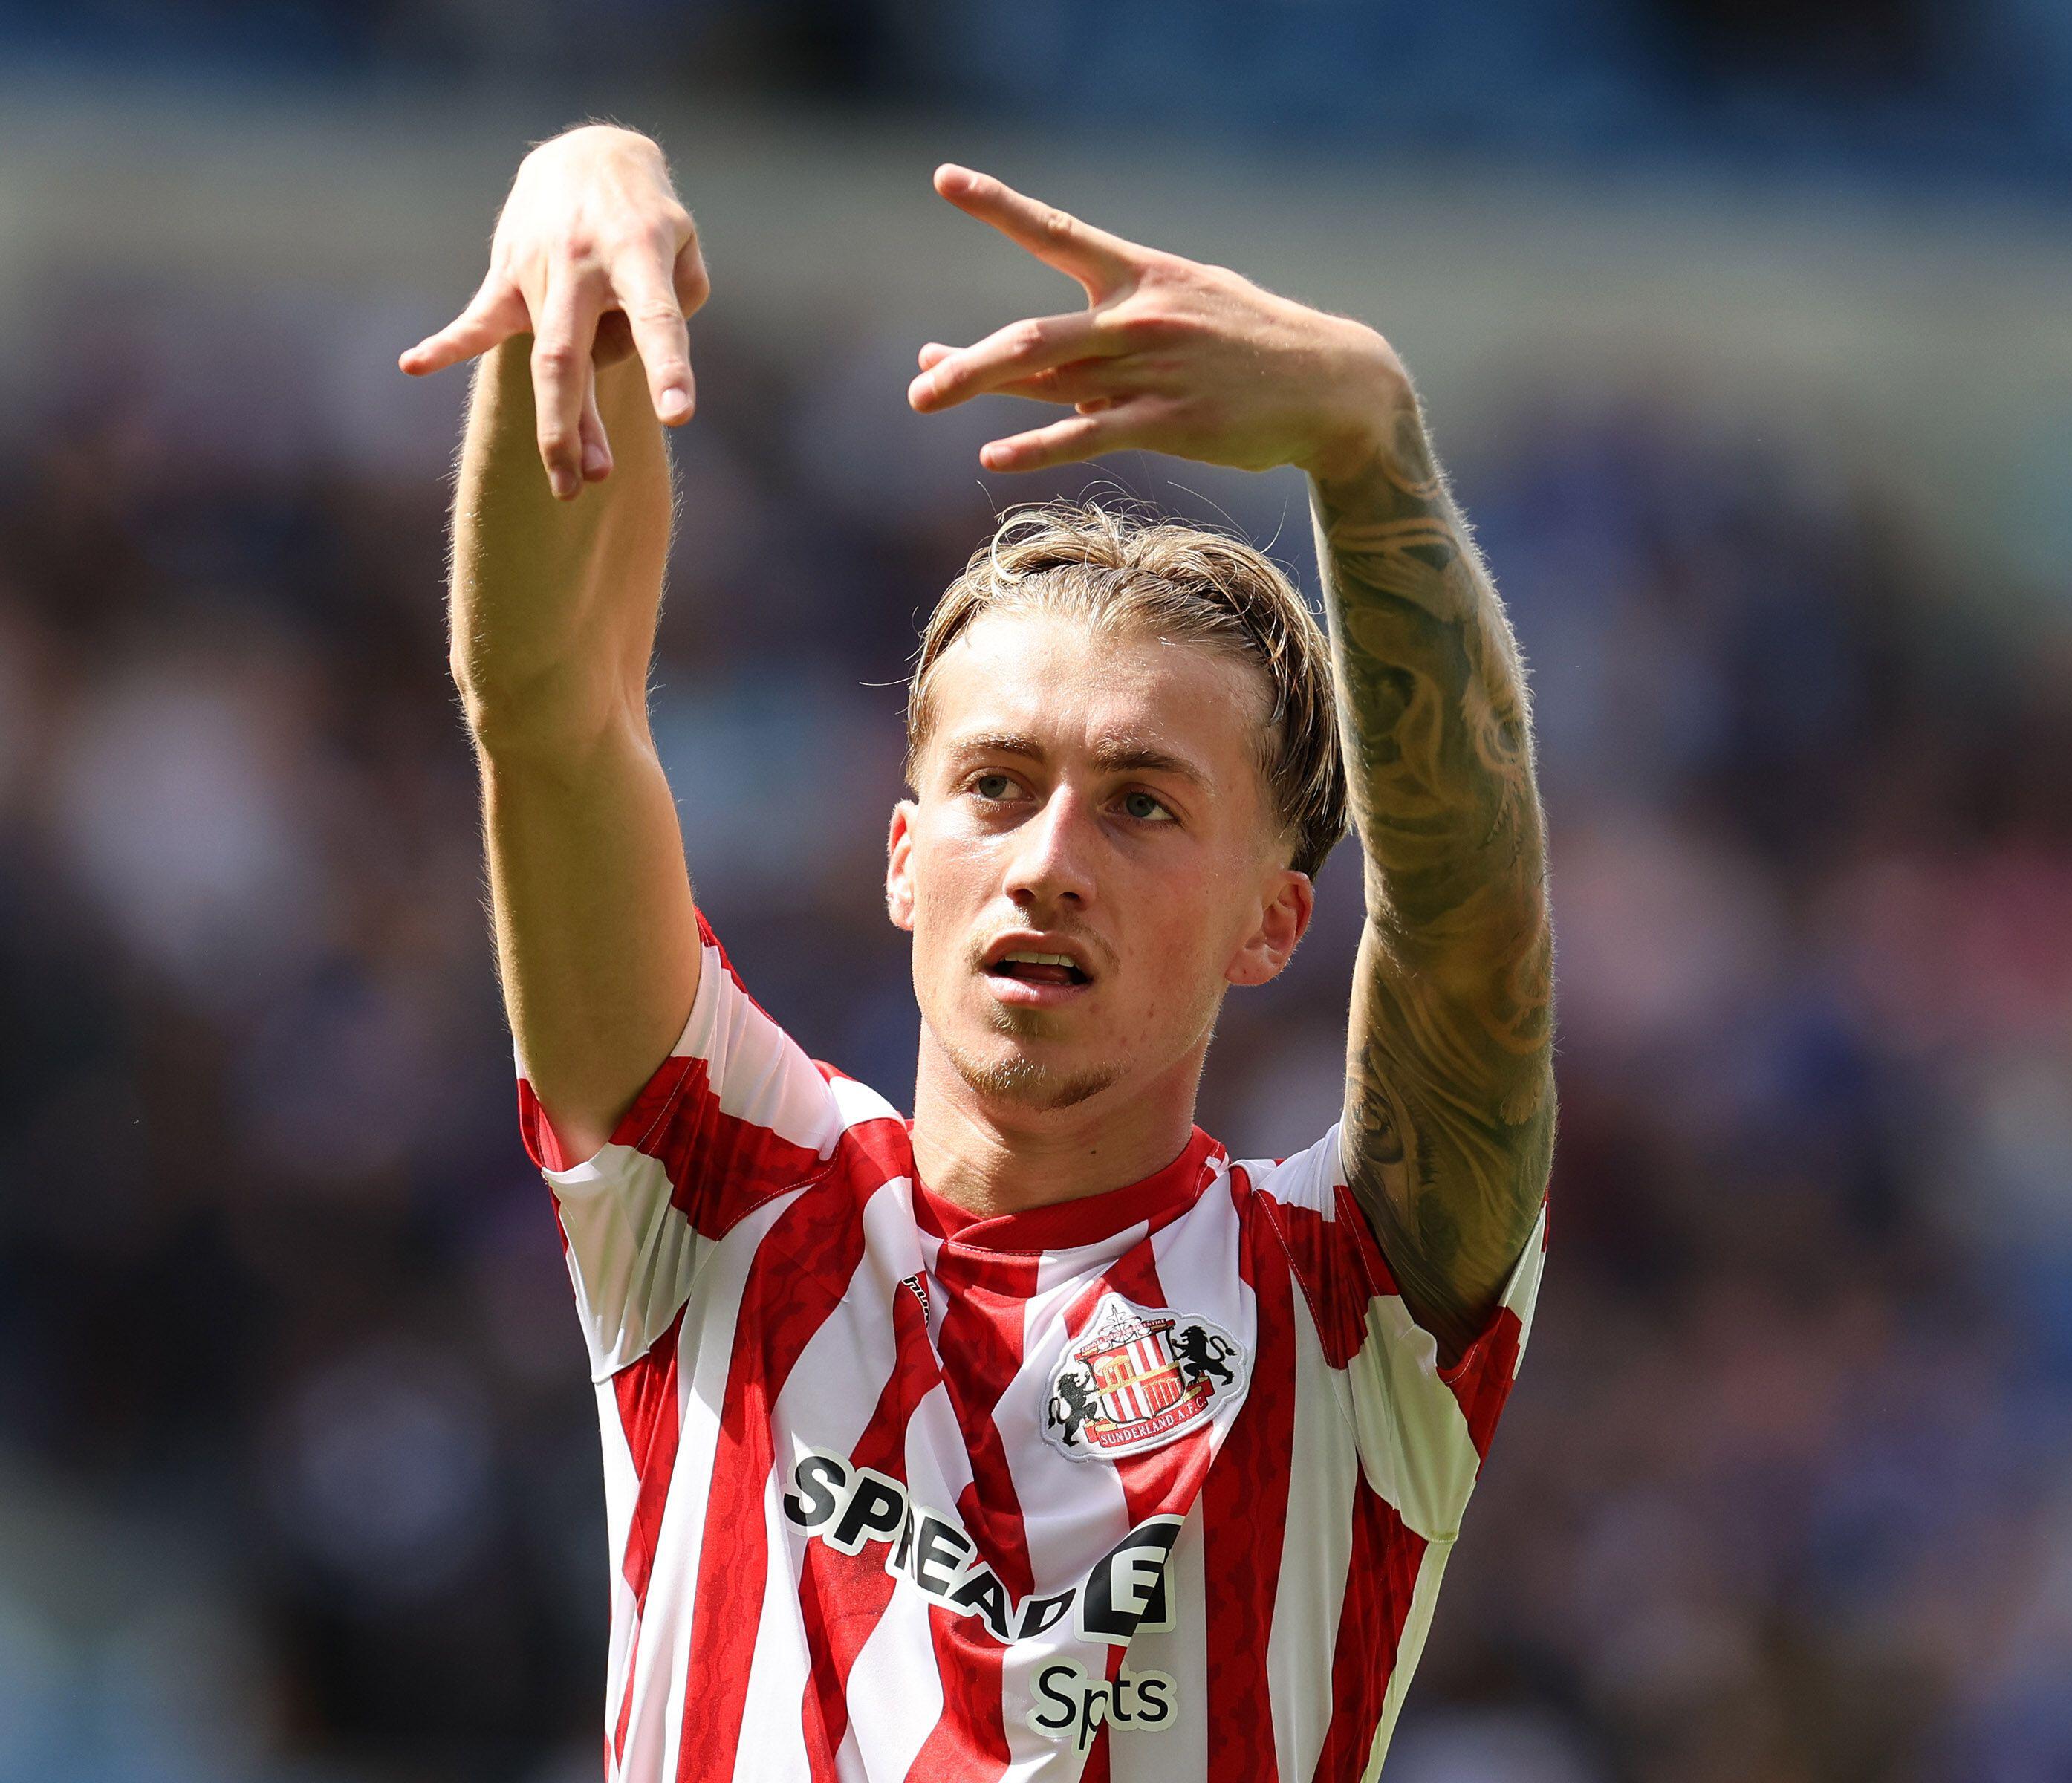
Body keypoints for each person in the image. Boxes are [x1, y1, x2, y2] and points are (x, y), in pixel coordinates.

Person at [400, 123, 1553, 1782]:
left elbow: (1469, 932)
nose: (1049, 864)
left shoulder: (1343, 1304)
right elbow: (556, 723)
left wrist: (1371, 456)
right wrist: (568, 230)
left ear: (1275, 922)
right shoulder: (721, 1194)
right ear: (900, 858)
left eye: (1144, 806)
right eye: (997, 788)